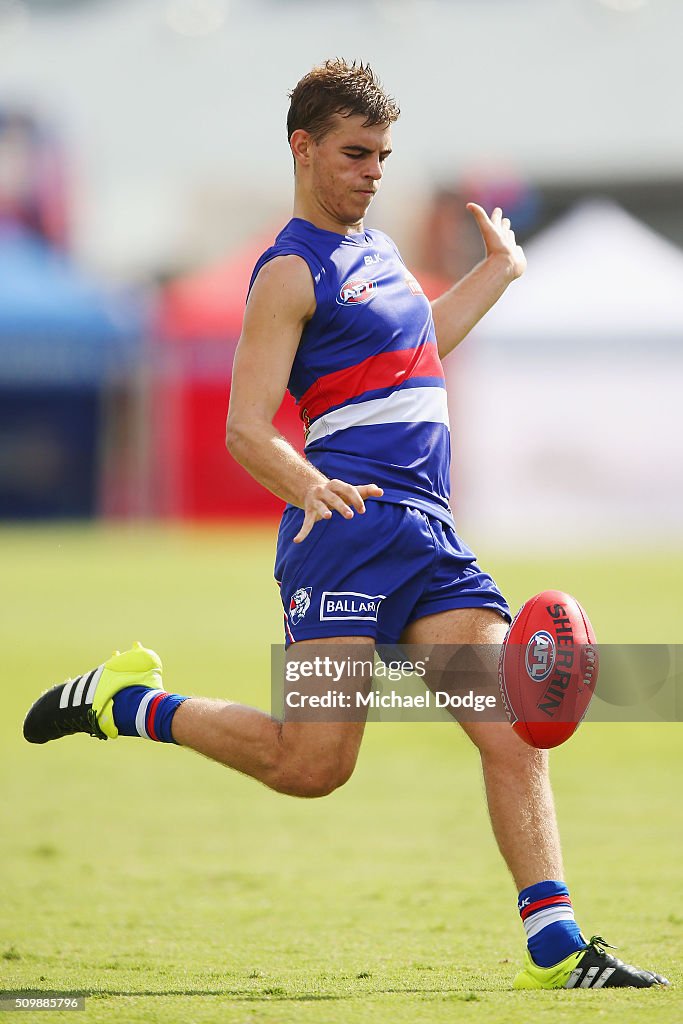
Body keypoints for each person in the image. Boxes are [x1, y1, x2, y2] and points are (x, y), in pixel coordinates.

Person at [24, 59, 667, 991]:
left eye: (383, 156)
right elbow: (247, 427)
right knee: (311, 766)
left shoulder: (382, 253)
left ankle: (557, 948)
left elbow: (417, 353)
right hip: (347, 539)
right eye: (356, 154)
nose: (373, 172)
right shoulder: (288, 270)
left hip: (428, 538)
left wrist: (500, 271)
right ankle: (130, 703)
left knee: (512, 723)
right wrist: (308, 485)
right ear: (304, 148)